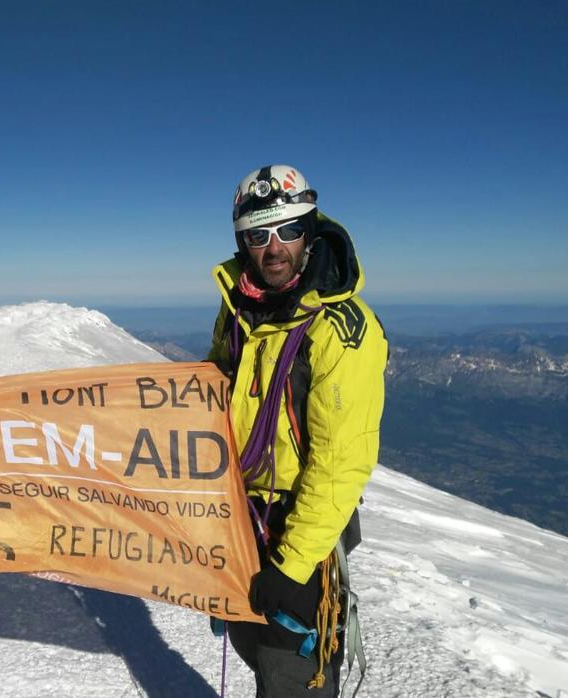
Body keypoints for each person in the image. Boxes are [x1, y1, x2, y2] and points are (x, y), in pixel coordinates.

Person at [207, 165, 387, 696]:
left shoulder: (339, 330)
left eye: (287, 230)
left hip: (297, 533)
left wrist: (292, 565)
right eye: (258, 235)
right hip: (241, 519)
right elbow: (214, 388)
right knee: (255, 645)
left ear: (309, 231)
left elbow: (340, 462)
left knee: (291, 666)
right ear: (242, 242)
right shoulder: (239, 311)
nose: (274, 248)